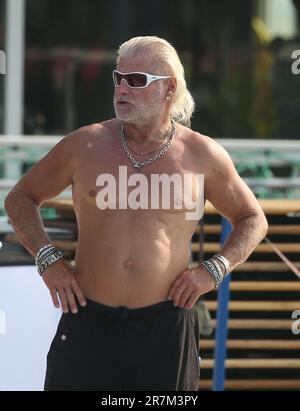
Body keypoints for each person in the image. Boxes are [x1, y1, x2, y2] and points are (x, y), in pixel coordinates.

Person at [4, 36, 268, 391]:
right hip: (88, 319)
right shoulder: (86, 144)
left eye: (137, 80)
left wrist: (213, 270)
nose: (122, 89)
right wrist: (48, 260)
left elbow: (253, 219)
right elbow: (21, 197)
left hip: (165, 324)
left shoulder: (202, 155)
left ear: (169, 88)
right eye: (118, 78)